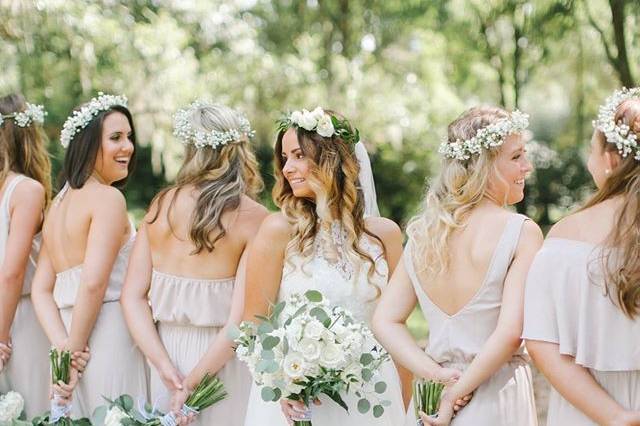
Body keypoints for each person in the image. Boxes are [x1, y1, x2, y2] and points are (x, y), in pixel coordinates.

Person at [372, 106, 541, 426]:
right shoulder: (521, 231)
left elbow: (385, 321)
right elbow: (509, 334)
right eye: (517, 156)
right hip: (496, 396)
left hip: (431, 402)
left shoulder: (424, 233)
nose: (527, 166)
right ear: (485, 164)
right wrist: (455, 392)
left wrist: (436, 376)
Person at [242, 107, 407, 426]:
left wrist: (405, 402)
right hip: (297, 401)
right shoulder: (278, 230)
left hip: (371, 395)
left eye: (298, 155)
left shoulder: (385, 235)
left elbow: (397, 329)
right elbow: (253, 324)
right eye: (285, 158)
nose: (287, 168)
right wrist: (282, 382)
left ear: (331, 159)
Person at [121, 101, 268, 425]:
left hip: (164, 351)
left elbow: (132, 297)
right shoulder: (255, 218)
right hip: (223, 362)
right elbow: (241, 322)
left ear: (190, 149)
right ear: (238, 149)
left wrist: (164, 369)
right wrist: (192, 385)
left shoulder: (162, 205)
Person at [523, 87, 640, 425]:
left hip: (585, 412)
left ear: (611, 160)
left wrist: (615, 416)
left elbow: (542, 343)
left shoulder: (563, 237)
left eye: (592, 150)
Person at [31, 92, 147, 417]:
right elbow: (94, 283)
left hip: (68, 333)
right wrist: (75, 352)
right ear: (88, 143)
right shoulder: (108, 199)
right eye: (115, 138)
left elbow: (42, 290)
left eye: (129, 137)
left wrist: (62, 347)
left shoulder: (57, 206)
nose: (128, 147)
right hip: (105, 336)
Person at [0, 94, 52, 416]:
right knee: (28, 410)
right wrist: (2, 336)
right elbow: (12, 273)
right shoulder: (27, 190)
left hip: (12, 313)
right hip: (16, 321)